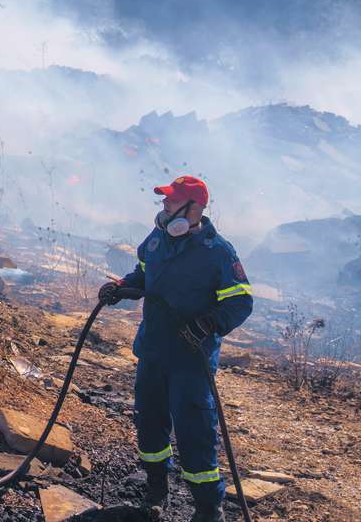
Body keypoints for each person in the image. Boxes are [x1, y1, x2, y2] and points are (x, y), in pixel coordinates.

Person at [99, 175, 253, 522]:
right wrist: (120, 287)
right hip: (153, 350)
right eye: (165, 201)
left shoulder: (218, 252)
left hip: (190, 360)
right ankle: (156, 491)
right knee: (150, 423)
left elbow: (241, 302)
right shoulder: (157, 239)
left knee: (194, 431)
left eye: (171, 202)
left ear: (194, 209)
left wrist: (207, 323)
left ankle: (207, 509)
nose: (164, 207)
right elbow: (142, 276)